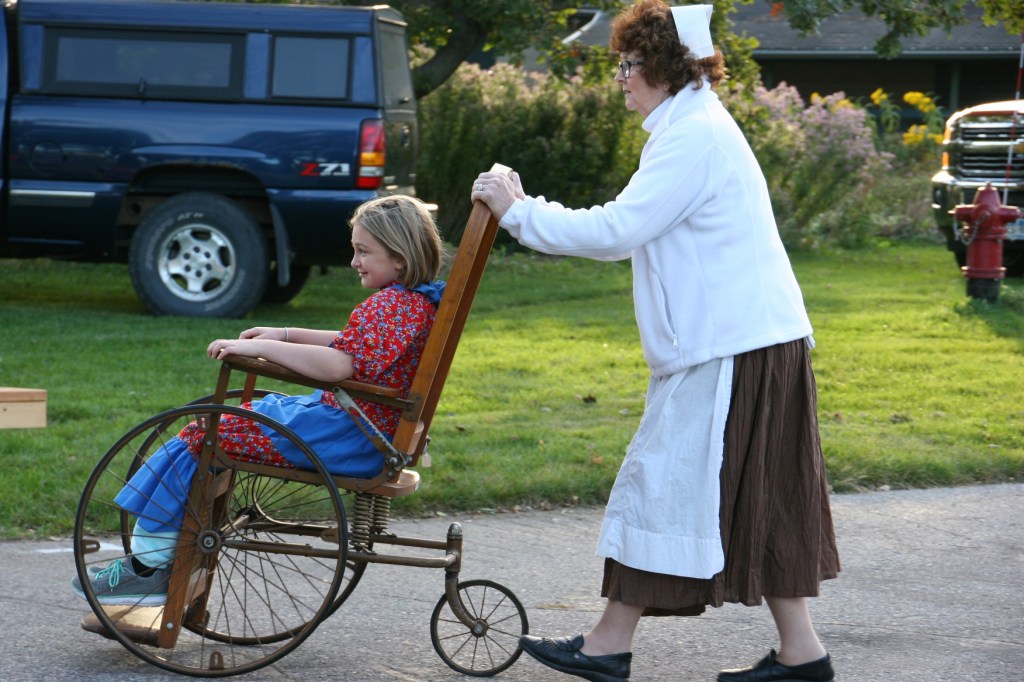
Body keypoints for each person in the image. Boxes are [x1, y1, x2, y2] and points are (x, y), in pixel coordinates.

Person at [469, 2, 839, 681]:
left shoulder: (695, 137)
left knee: (665, 486)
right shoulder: (689, 128)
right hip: (741, 342)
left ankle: (610, 646)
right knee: (747, 494)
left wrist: (518, 212)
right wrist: (522, 210)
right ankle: (800, 655)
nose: (621, 78)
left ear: (669, 68)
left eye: (631, 64)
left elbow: (617, 230)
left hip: (733, 348)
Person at [73, 195, 445, 607]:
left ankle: (150, 568)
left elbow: (339, 364)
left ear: (399, 258)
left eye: (363, 251)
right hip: (356, 430)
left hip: (347, 435)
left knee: (203, 435)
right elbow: (348, 344)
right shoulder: (413, 302)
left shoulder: (392, 306)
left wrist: (260, 350)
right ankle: (160, 560)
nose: (354, 261)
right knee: (220, 426)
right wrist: (283, 334)